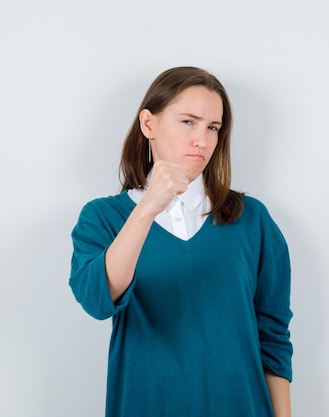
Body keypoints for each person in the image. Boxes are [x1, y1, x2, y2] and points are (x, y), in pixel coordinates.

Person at [69, 66, 293, 417]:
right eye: (188, 122)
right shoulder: (103, 217)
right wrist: (147, 208)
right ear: (149, 124)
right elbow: (97, 299)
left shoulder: (252, 219)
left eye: (213, 128)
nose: (201, 140)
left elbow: (274, 336)